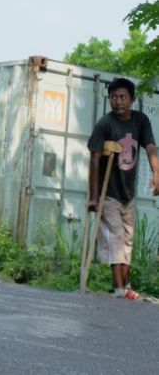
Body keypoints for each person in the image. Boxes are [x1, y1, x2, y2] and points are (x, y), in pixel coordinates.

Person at [87, 77, 159, 301]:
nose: (117, 101)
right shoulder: (105, 124)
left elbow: (150, 147)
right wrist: (93, 197)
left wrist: (157, 172)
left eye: (122, 97)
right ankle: (119, 289)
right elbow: (95, 160)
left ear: (132, 99)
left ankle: (125, 286)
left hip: (129, 193)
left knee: (127, 239)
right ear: (109, 99)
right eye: (113, 97)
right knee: (115, 237)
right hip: (108, 193)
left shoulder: (140, 121)